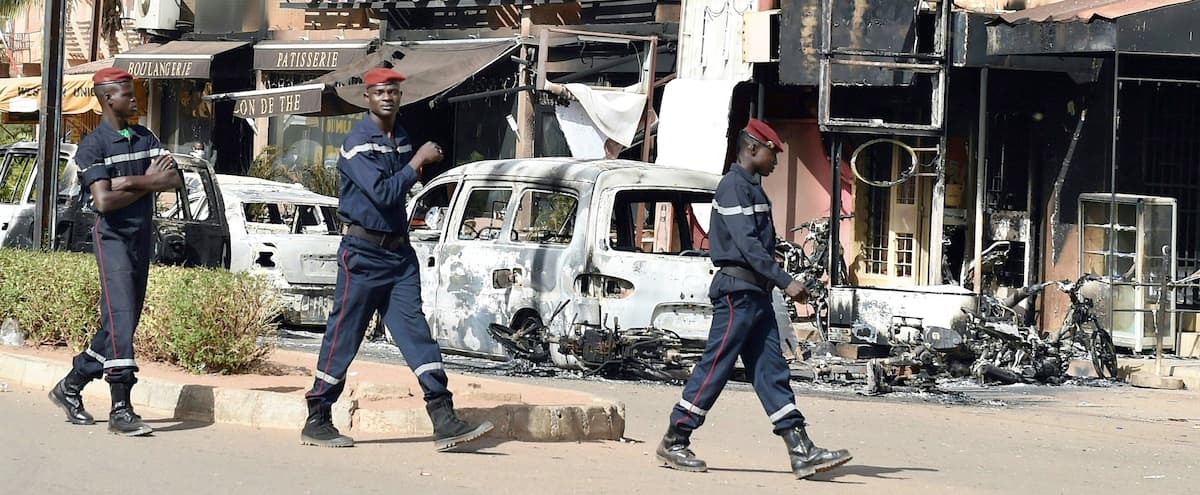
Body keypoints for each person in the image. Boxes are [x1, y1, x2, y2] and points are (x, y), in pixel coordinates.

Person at [300, 68, 493, 451]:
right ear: (368, 97)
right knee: (345, 334)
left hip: (399, 254)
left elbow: (402, 186)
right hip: (363, 254)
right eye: (381, 92)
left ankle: (443, 416)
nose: (388, 97)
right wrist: (418, 160)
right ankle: (317, 415)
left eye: (394, 92)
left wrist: (413, 163)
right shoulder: (357, 142)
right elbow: (383, 193)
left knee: (415, 332)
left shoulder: (401, 137)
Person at [656, 118, 852, 479]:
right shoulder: (733, 187)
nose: (776, 159)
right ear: (752, 149)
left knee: (771, 372)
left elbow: (762, 244)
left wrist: (779, 279)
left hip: (756, 294)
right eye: (772, 152)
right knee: (715, 366)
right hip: (737, 294)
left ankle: (801, 450)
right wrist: (785, 281)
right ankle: (675, 438)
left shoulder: (752, 189)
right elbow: (747, 245)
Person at [47, 67, 182, 436]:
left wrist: (135, 180)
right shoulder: (93, 145)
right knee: (121, 320)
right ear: (108, 99)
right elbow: (104, 202)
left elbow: (174, 179)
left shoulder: (145, 136)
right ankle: (121, 408)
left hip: (141, 239)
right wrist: (150, 182)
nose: (135, 99)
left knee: (120, 325)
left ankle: (70, 386)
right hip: (113, 241)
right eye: (128, 94)